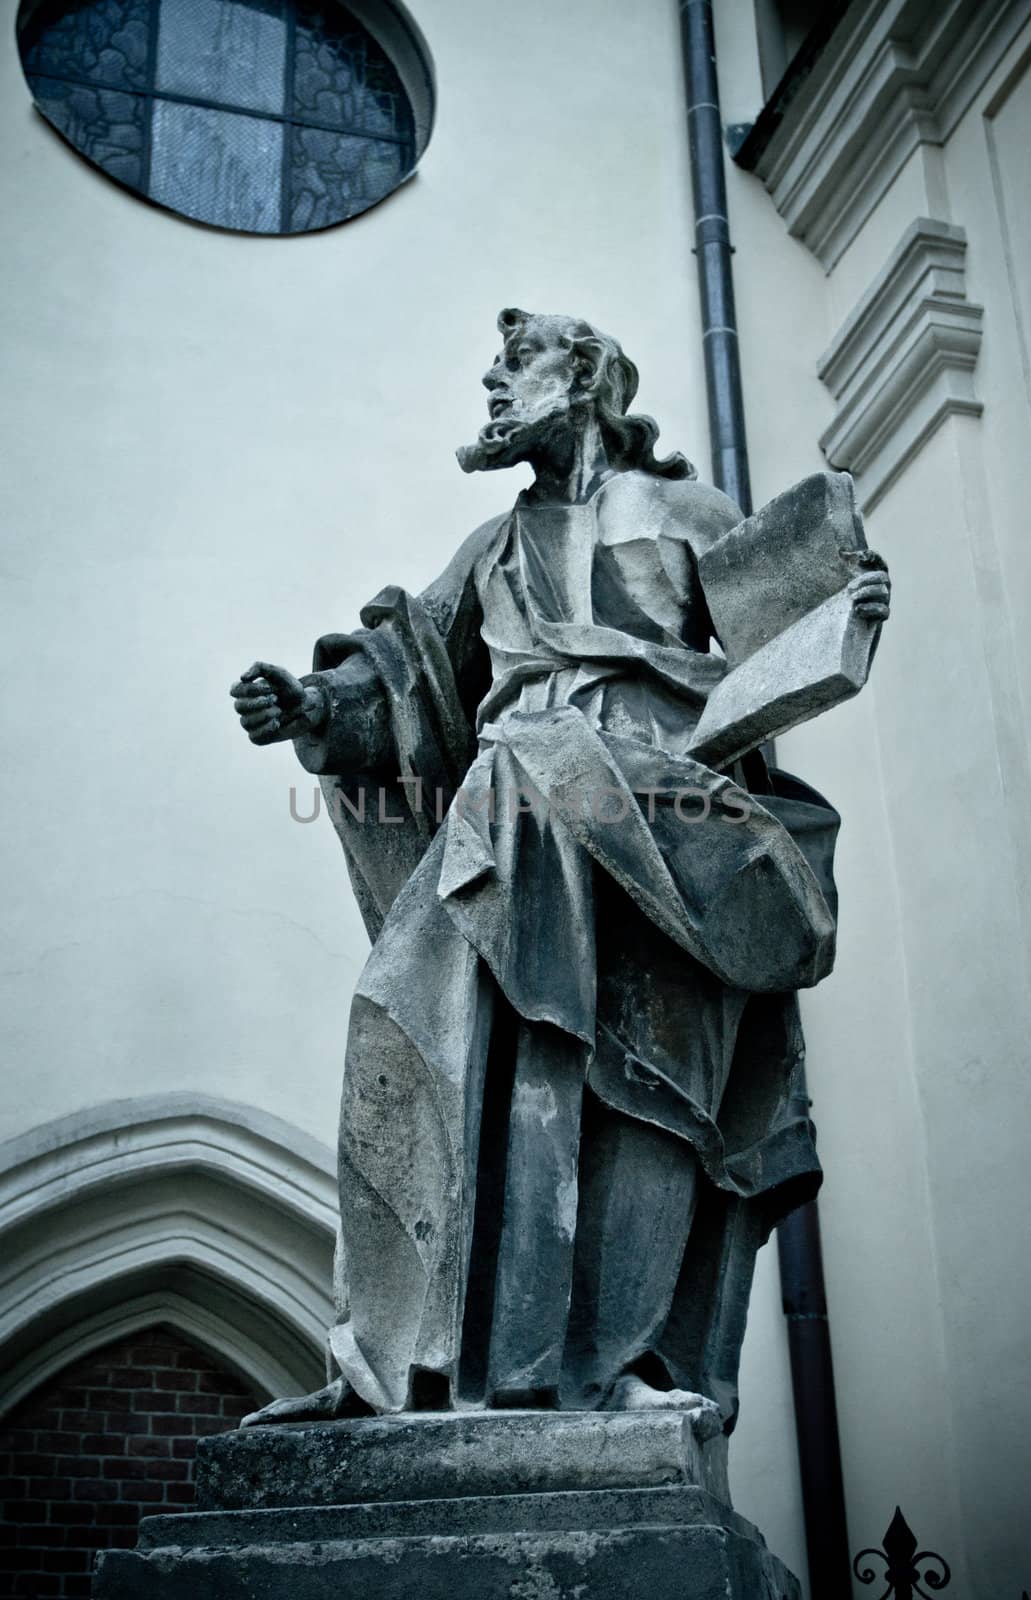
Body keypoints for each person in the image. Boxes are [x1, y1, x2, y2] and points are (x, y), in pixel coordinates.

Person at [230, 309, 890, 1430]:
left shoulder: (685, 513)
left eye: (514, 362)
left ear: (582, 376)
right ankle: (402, 1367)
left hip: (665, 816)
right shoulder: (492, 548)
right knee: (412, 1016)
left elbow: (782, 634)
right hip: (512, 812)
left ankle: (619, 1363)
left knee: (645, 1086)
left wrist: (846, 611)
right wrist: (312, 707)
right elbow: (406, 675)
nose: (492, 383)